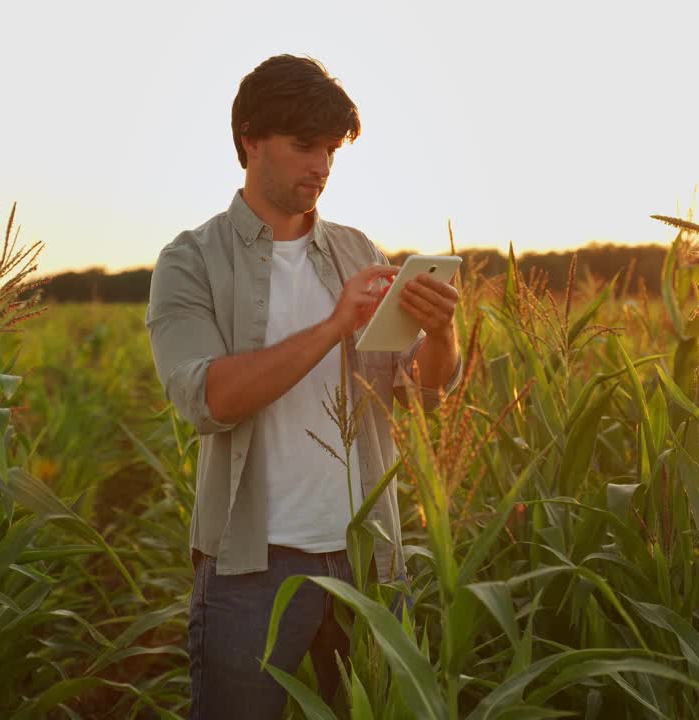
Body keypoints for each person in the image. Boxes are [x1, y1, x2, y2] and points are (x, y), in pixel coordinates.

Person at [145, 54, 462, 719]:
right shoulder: (190, 262)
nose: (320, 165)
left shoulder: (358, 252)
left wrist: (442, 336)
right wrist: (333, 324)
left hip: (369, 559)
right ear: (250, 139)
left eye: (329, 150)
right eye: (303, 145)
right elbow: (209, 398)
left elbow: (420, 396)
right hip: (249, 572)